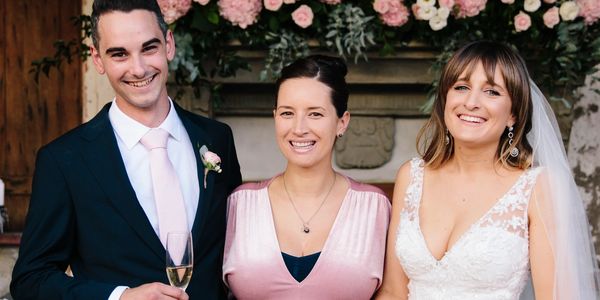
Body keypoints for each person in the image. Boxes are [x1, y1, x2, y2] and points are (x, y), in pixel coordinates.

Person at [10, 0, 242, 299]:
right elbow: (31, 280)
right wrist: (119, 297)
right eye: (119, 54)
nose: (139, 68)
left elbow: (237, 252)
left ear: (168, 44)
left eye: (149, 48)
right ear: (97, 59)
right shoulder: (64, 160)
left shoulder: (217, 137)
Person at [376, 41, 600, 299]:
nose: (471, 102)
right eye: (461, 87)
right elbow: (393, 291)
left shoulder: (537, 187)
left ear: (513, 114)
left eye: (492, 92)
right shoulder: (411, 176)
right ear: (446, 99)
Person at [222, 55, 391, 299]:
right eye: (287, 113)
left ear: (342, 122)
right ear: (275, 117)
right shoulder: (240, 203)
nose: (299, 128)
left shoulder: (374, 207)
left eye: (315, 114)